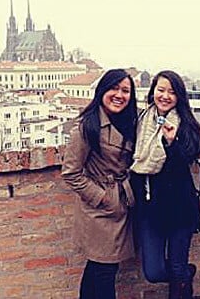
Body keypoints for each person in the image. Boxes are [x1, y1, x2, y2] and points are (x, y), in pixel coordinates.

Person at [61, 69, 138, 299]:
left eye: (125, 90)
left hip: (123, 203)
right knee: (104, 272)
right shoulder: (87, 127)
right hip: (101, 209)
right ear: (102, 90)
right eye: (114, 88)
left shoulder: (130, 122)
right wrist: (103, 198)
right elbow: (71, 172)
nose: (119, 95)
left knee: (98, 269)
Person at [130, 70, 200, 299]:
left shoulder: (186, 123)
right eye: (160, 90)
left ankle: (182, 278)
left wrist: (172, 141)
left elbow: (188, 158)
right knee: (153, 271)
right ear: (152, 92)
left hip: (179, 207)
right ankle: (185, 275)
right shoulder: (142, 121)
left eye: (171, 92)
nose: (165, 96)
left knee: (176, 266)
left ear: (179, 96)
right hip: (150, 210)